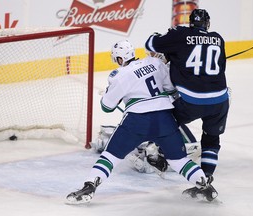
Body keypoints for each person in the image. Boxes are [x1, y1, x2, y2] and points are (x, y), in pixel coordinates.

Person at [66, 39, 218, 204]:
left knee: (110, 156)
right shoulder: (155, 63)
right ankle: (206, 186)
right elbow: (171, 89)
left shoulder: (119, 75)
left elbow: (107, 107)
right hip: (165, 119)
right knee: (178, 160)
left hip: (137, 121)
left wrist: (110, 92)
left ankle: (89, 187)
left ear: (118, 59)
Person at [145, 9, 229, 198]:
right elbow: (220, 66)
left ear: (191, 23)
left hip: (191, 100)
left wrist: (164, 38)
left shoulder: (181, 35)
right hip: (220, 100)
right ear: (207, 24)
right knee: (211, 139)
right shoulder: (218, 38)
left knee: (166, 122)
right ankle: (205, 181)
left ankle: (159, 154)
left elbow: (150, 43)